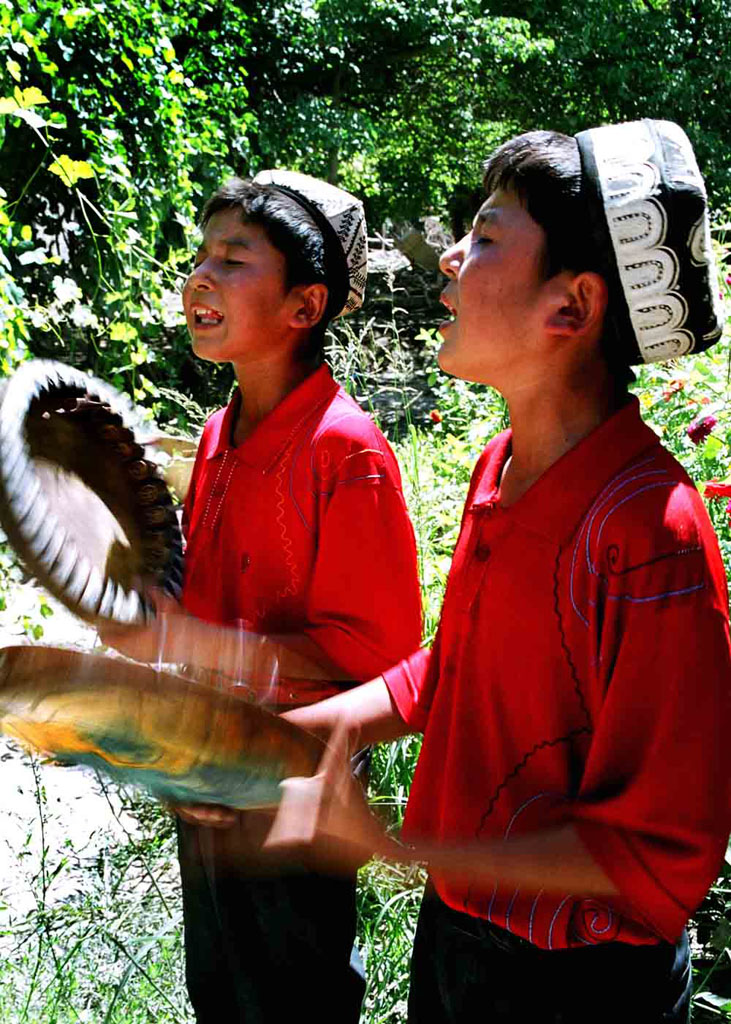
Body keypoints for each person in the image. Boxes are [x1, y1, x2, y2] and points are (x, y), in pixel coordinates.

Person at [264, 120, 731, 1023]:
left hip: (578, 985)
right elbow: (466, 668)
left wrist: (397, 842)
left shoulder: (646, 532)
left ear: (572, 307)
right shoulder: (499, 464)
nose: (447, 258)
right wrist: (318, 728)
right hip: (461, 937)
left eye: (483, 238)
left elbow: (658, 849)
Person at [103, 171, 422, 1022]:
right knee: (221, 990)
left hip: (293, 795)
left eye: (234, 259)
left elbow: (381, 657)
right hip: (206, 775)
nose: (199, 276)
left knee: (297, 994)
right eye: (201, 255)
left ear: (303, 305)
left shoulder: (344, 451)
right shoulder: (215, 435)